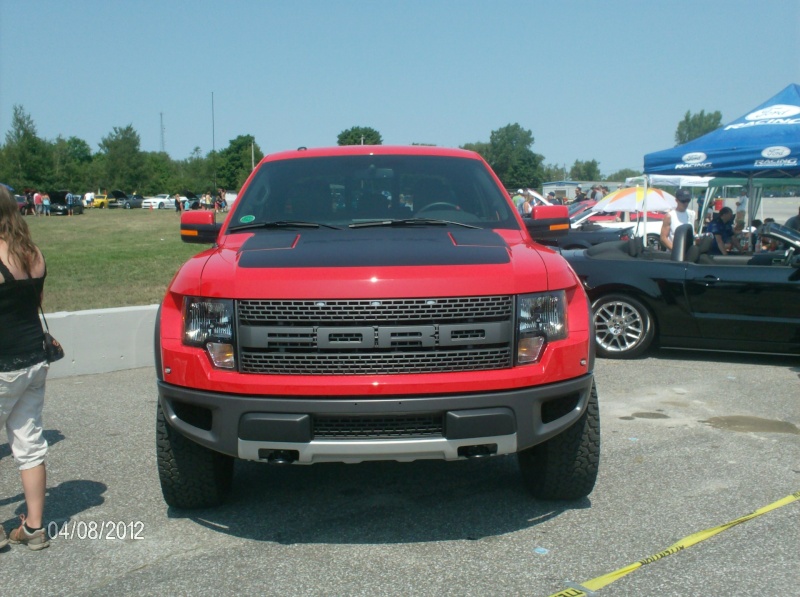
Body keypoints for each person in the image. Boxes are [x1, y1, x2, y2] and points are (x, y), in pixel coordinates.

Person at [0, 186, 50, 551]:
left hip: (3, 364)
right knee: (29, 443)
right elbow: (34, 305)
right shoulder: (34, 254)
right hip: (34, 360)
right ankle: (34, 528)